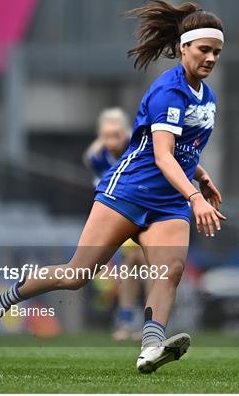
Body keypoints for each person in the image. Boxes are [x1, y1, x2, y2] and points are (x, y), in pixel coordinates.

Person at [0, 0, 226, 374]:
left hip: (170, 202)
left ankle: (150, 347)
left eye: (217, 52)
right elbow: (162, 154)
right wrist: (195, 196)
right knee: (76, 275)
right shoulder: (169, 91)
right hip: (129, 192)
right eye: (205, 49)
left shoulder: (209, 97)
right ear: (184, 47)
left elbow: (185, 150)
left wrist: (201, 176)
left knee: (169, 270)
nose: (212, 58)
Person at [83, 107, 148, 341]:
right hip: (125, 211)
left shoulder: (140, 143)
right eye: (106, 135)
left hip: (150, 207)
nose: (111, 140)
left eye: (116, 135)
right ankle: (128, 319)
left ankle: (149, 321)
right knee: (132, 263)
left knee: (149, 264)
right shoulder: (97, 157)